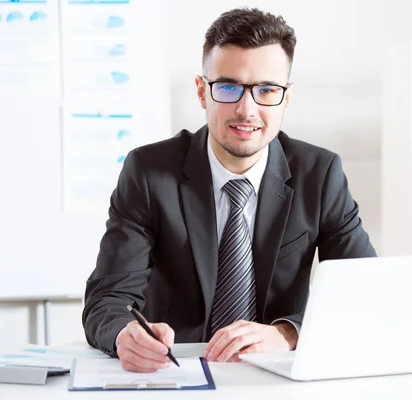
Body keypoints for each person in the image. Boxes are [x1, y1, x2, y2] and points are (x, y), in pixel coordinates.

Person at [82, 7, 377, 373]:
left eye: (267, 89)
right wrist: (123, 335)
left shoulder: (319, 174)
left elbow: (365, 297)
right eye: (228, 87)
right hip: (176, 373)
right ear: (202, 92)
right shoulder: (148, 172)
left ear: (286, 96)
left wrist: (287, 333)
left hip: (277, 377)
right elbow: (107, 299)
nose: (246, 109)